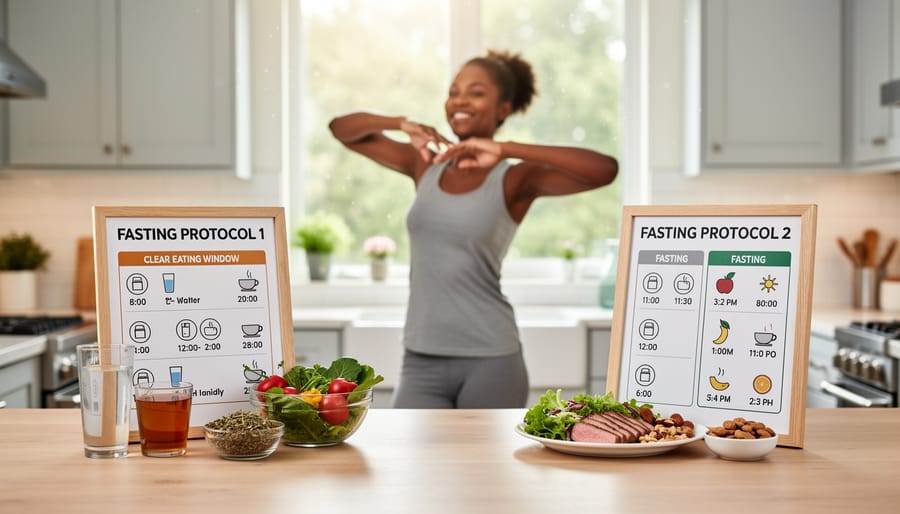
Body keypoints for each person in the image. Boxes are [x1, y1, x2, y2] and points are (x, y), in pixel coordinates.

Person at [329, 49, 618, 408]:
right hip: (421, 358)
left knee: (486, 466)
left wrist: (504, 148)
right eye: (453, 92)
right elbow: (342, 129)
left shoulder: (514, 178)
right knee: (413, 465)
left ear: (503, 109)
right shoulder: (425, 163)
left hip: (491, 359)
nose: (459, 101)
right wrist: (402, 123)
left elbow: (604, 169)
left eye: (476, 92)